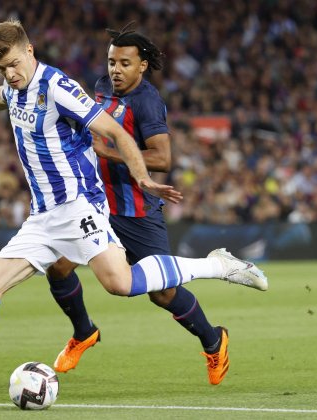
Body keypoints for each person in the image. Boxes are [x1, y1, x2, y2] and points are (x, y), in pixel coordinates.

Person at [0, 19, 268, 408]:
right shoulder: (14, 85)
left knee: (121, 284)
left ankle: (217, 266)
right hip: (42, 217)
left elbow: (116, 133)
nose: (11, 73)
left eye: (16, 63)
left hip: (78, 207)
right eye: (3, 68)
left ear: (31, 50)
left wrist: (142, 178)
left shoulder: (58, 87)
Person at [45, 25, 267, 386]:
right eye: (112, 61)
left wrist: (108, 152)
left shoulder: (147, 101)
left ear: (142, 66)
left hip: (137, 211)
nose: (116, 69)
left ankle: (214, 340)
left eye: (125, 63)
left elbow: (163, 158)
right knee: (58, 266)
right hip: (98, 204)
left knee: (162, 294)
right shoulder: (102, 88)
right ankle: (84, 332)